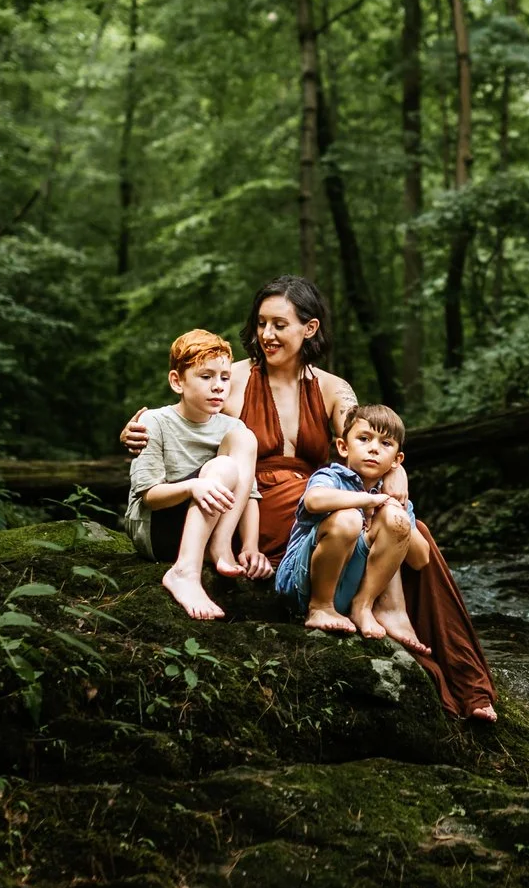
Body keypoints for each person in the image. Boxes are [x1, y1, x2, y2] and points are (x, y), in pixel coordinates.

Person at [121, 276, 499, 723]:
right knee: (376, 524)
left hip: (321, 493)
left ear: (310, 328)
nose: (267, 335)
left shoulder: (333, 389)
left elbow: (364, 440)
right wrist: (138, 432)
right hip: (258, 505)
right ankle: (399, 628)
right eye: (261, 323)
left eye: (280, 324)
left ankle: (466, 682)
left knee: (413, 530)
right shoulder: (234, 378)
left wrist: (395, 467)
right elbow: (187, 419)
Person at [123, 329, 265, 621]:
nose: (218, 387)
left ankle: (220, 547)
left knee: (245, 438)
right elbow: (149, 497)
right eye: (206, 377)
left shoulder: (231, 426)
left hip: (207, 526)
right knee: (222, 468)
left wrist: (251, 547)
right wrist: (192, 487)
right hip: (157, 528)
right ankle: (184, 572)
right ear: (178, 381)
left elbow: (247, 494)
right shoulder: (154, 421)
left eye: (224, 378)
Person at [273, 403, 433, 649]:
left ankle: (363, 606)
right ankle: (321, 608)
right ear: (343, 447)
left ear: (396, 460)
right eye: (364, 439)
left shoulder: (392, 498)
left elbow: (420, 559)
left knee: (394, 518)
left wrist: (395, 512)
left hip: (352, 588)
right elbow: (314, 500)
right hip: (302, 585)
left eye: (386, 444)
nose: (373, 449)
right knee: (349, 518)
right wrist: (368, 500)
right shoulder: (331, 477)